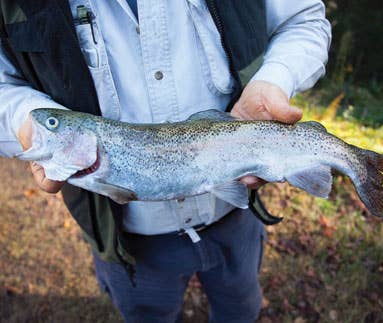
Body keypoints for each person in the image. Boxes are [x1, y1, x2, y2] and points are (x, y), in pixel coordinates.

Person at [0, 1, 331, 322]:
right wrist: (22, 116)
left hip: (237, 216)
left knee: (240, 309)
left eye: (53, 125)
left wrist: (274, 79)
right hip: (130, 242)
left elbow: (303, 21)